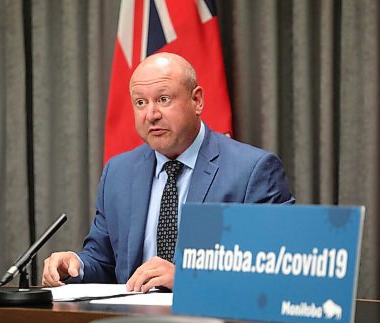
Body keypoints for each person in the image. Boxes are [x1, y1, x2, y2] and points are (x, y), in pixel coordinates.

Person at [42, 52, 295, 292]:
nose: (151, 115)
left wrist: (188, 279)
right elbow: (104, 261)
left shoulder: (252, 171)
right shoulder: (118, 172)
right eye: (140, 103)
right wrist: (76, 266)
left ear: (197, 100)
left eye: (163, 99)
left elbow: (276, 269)